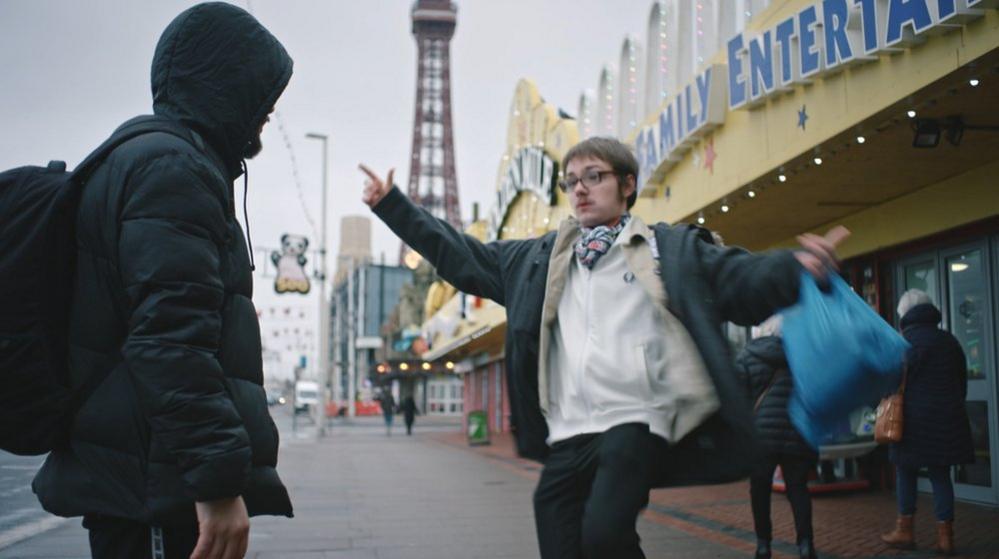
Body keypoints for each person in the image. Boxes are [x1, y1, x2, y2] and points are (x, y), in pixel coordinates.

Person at [360, 137, 846, 559]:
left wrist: (796, 269)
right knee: (562, 540)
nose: (580, 189)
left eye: (594, 176)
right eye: (571, 181)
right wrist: (393, 206)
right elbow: (461, 256)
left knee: (604, 535)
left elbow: (739, 276)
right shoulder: (540, 260)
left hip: (637, 420)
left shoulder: (664, 249)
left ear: (627, 185)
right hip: (569, 431)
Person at [31, 4, 294, 558]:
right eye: (262, 91)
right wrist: (217, 484)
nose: (269, 109)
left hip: (146, 478)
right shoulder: (172, 171)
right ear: (226, 84)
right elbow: (170, 340)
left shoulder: (148, 158)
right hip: (154, 488)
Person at [880, 289, 975, 555]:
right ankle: (946, 537)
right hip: (945, 420)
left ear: (905, 314)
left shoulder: (902, 343)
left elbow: (889, 384)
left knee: (905, 472)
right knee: (941, 475)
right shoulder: (950, 341)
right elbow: (961, 384)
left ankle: (905, 530)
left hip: (910, 422)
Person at [736, 315, 818, 559]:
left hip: (761, 435)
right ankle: (805, 545)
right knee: (798, 489)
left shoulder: (748, 355)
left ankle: (763, 544)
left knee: (759, 490)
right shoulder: (803, 356)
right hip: (796, 431)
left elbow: (740, 398)